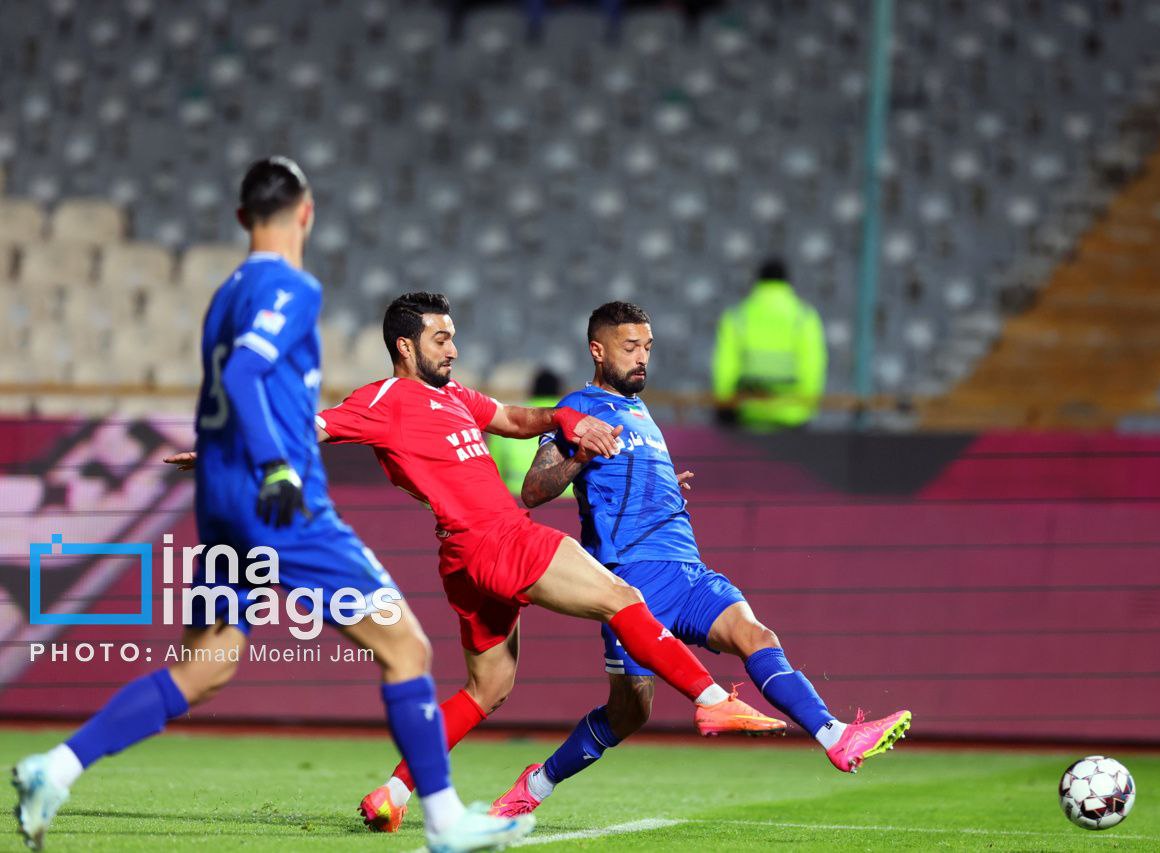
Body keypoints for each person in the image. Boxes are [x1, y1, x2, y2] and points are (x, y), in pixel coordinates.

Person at [11, 158, 531, 853]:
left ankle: (57, 767)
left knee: (205, 667)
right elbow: (246, 372)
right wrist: (280, 464)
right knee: (406, 646)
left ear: (240, 219)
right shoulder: (293, 286)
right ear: (306, 213)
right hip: (278, 500)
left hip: (222, 497)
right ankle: (444, 820)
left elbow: (224, 388)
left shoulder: (225, 294)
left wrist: (225, 458)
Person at [170, 292, 782, 833]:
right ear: (405, 346)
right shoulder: (382, 399)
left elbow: (515, 419)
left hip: (465, 559)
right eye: (442, 338)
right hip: (497, 538)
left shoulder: (454, 397)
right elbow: (308, 429)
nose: (454, 348)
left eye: (454, 336)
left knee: (489, 686)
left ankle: (392, 791)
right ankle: (708, 699)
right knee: (623, 598)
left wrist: (566, 417)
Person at [488, 301, 911, 817]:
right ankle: (535, 786)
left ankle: (836, 735)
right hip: (630, 582)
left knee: (756, 636)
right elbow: (533, 490)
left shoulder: (642, 414)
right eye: (630, 348)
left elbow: (627, 481)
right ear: (597, 351)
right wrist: (579, 454)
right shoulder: (576, 409)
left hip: (687, 569)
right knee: (628, 713)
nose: (642, 358)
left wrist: (665, 486)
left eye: (647, 347)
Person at [712, 258, 828, 430]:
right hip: (793, 417)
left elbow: (725, 367)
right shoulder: (804, 317)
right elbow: (813, 366)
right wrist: (806, 407)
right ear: (787, 282)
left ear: (758, 281)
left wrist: (726, 404)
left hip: (747, 415)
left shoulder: (737, 316)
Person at [487, 367, 569, 498]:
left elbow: (492, 472)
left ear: (532, 390)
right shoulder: (573, 418)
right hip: (566, 501)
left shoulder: (509, 418)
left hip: (517, 499)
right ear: (560, 392)